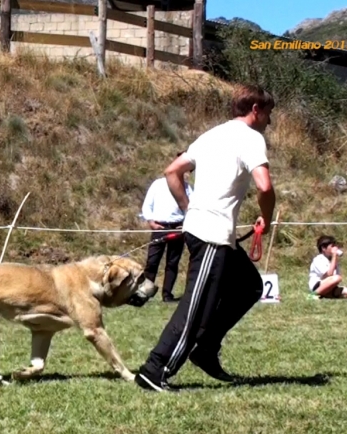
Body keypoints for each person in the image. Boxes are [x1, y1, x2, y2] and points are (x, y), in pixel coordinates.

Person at [134, 84, 276, 392]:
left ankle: (206, 348)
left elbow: (173, 171)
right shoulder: (251, 138)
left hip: (208, 230)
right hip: (210, 235)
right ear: (255, 110)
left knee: (248, 286)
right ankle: (154, 370)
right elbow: (264, 186)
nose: (269, 121)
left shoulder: (210, 135)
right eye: (268, 114)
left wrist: (189, 209)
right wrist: (268, 214)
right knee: (196, 305)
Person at [140, 153, 193, 302]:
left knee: (172, 262)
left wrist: (185, 224)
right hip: (159, 227)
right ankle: (146, 292)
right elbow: (147, 205)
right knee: (152, 261)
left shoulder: (188, 188)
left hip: (178, 227)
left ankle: (167, 295)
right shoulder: (158, 184)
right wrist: (151, 222)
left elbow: (192, 208)